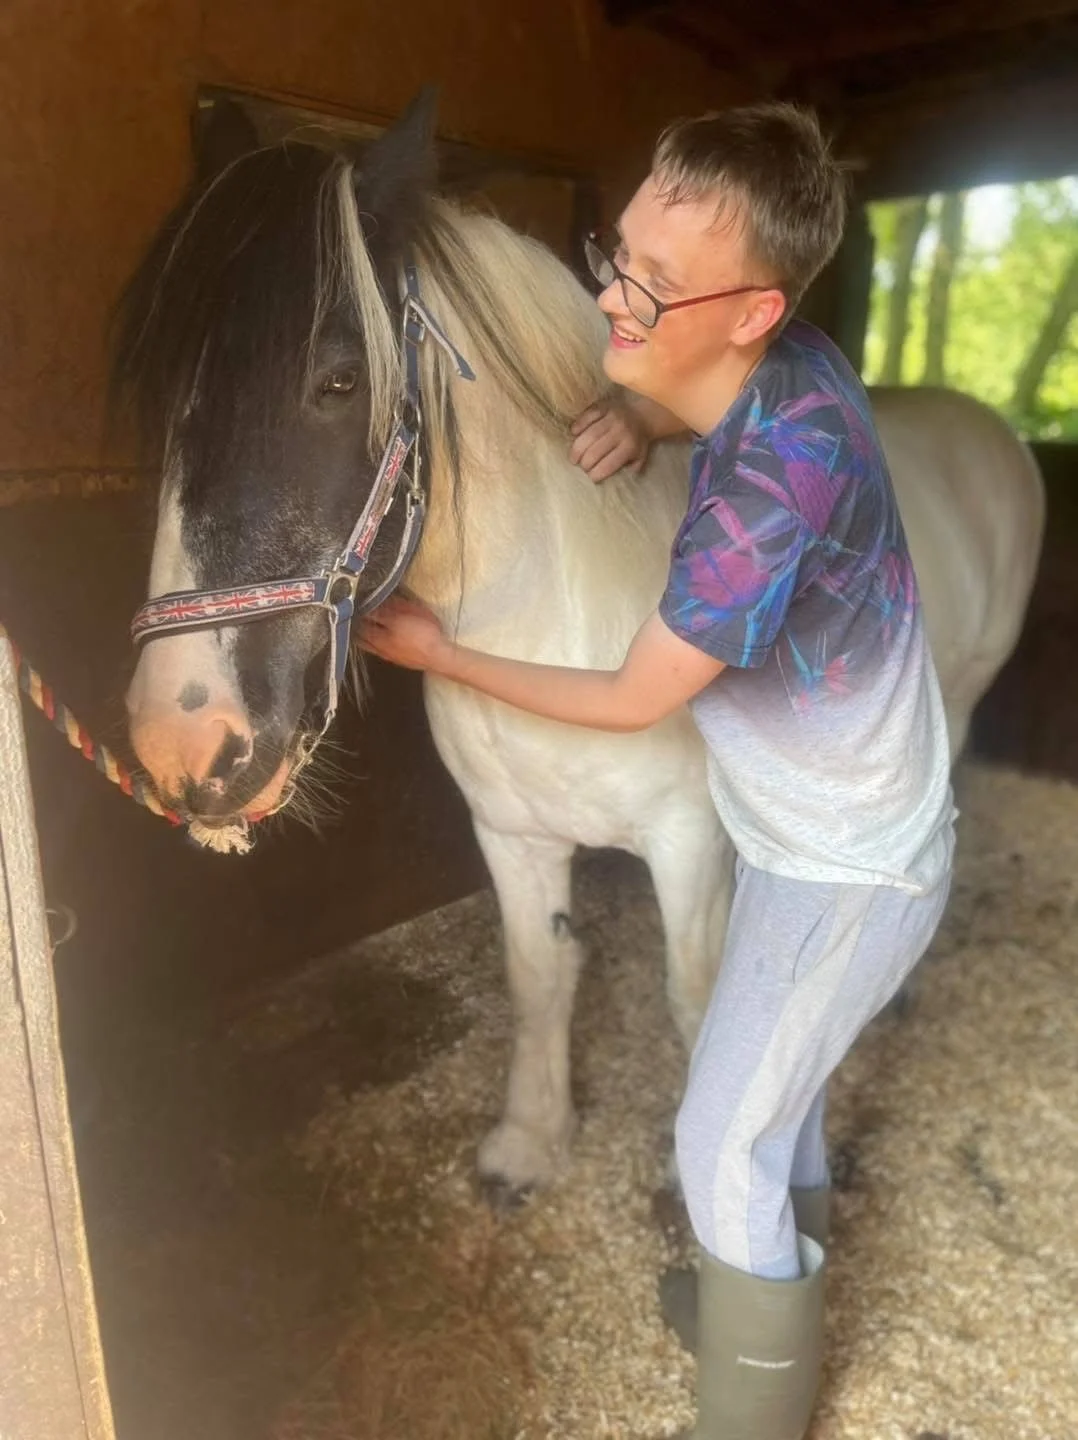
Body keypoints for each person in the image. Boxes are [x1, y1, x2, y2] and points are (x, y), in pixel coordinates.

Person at [360, 101, 956, 1440]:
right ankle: (769, 1303)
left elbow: (635, 699)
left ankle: (753, 1413)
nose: (610, 298)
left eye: (652, 284)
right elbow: (701, 398)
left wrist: (445, 659)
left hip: (842, 863)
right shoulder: (787, 366)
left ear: (748, 310)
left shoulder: (759, 503)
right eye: (612, 251)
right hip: (823, 833)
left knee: (714, 1137)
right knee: (772, 1100)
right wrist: (645, 420)